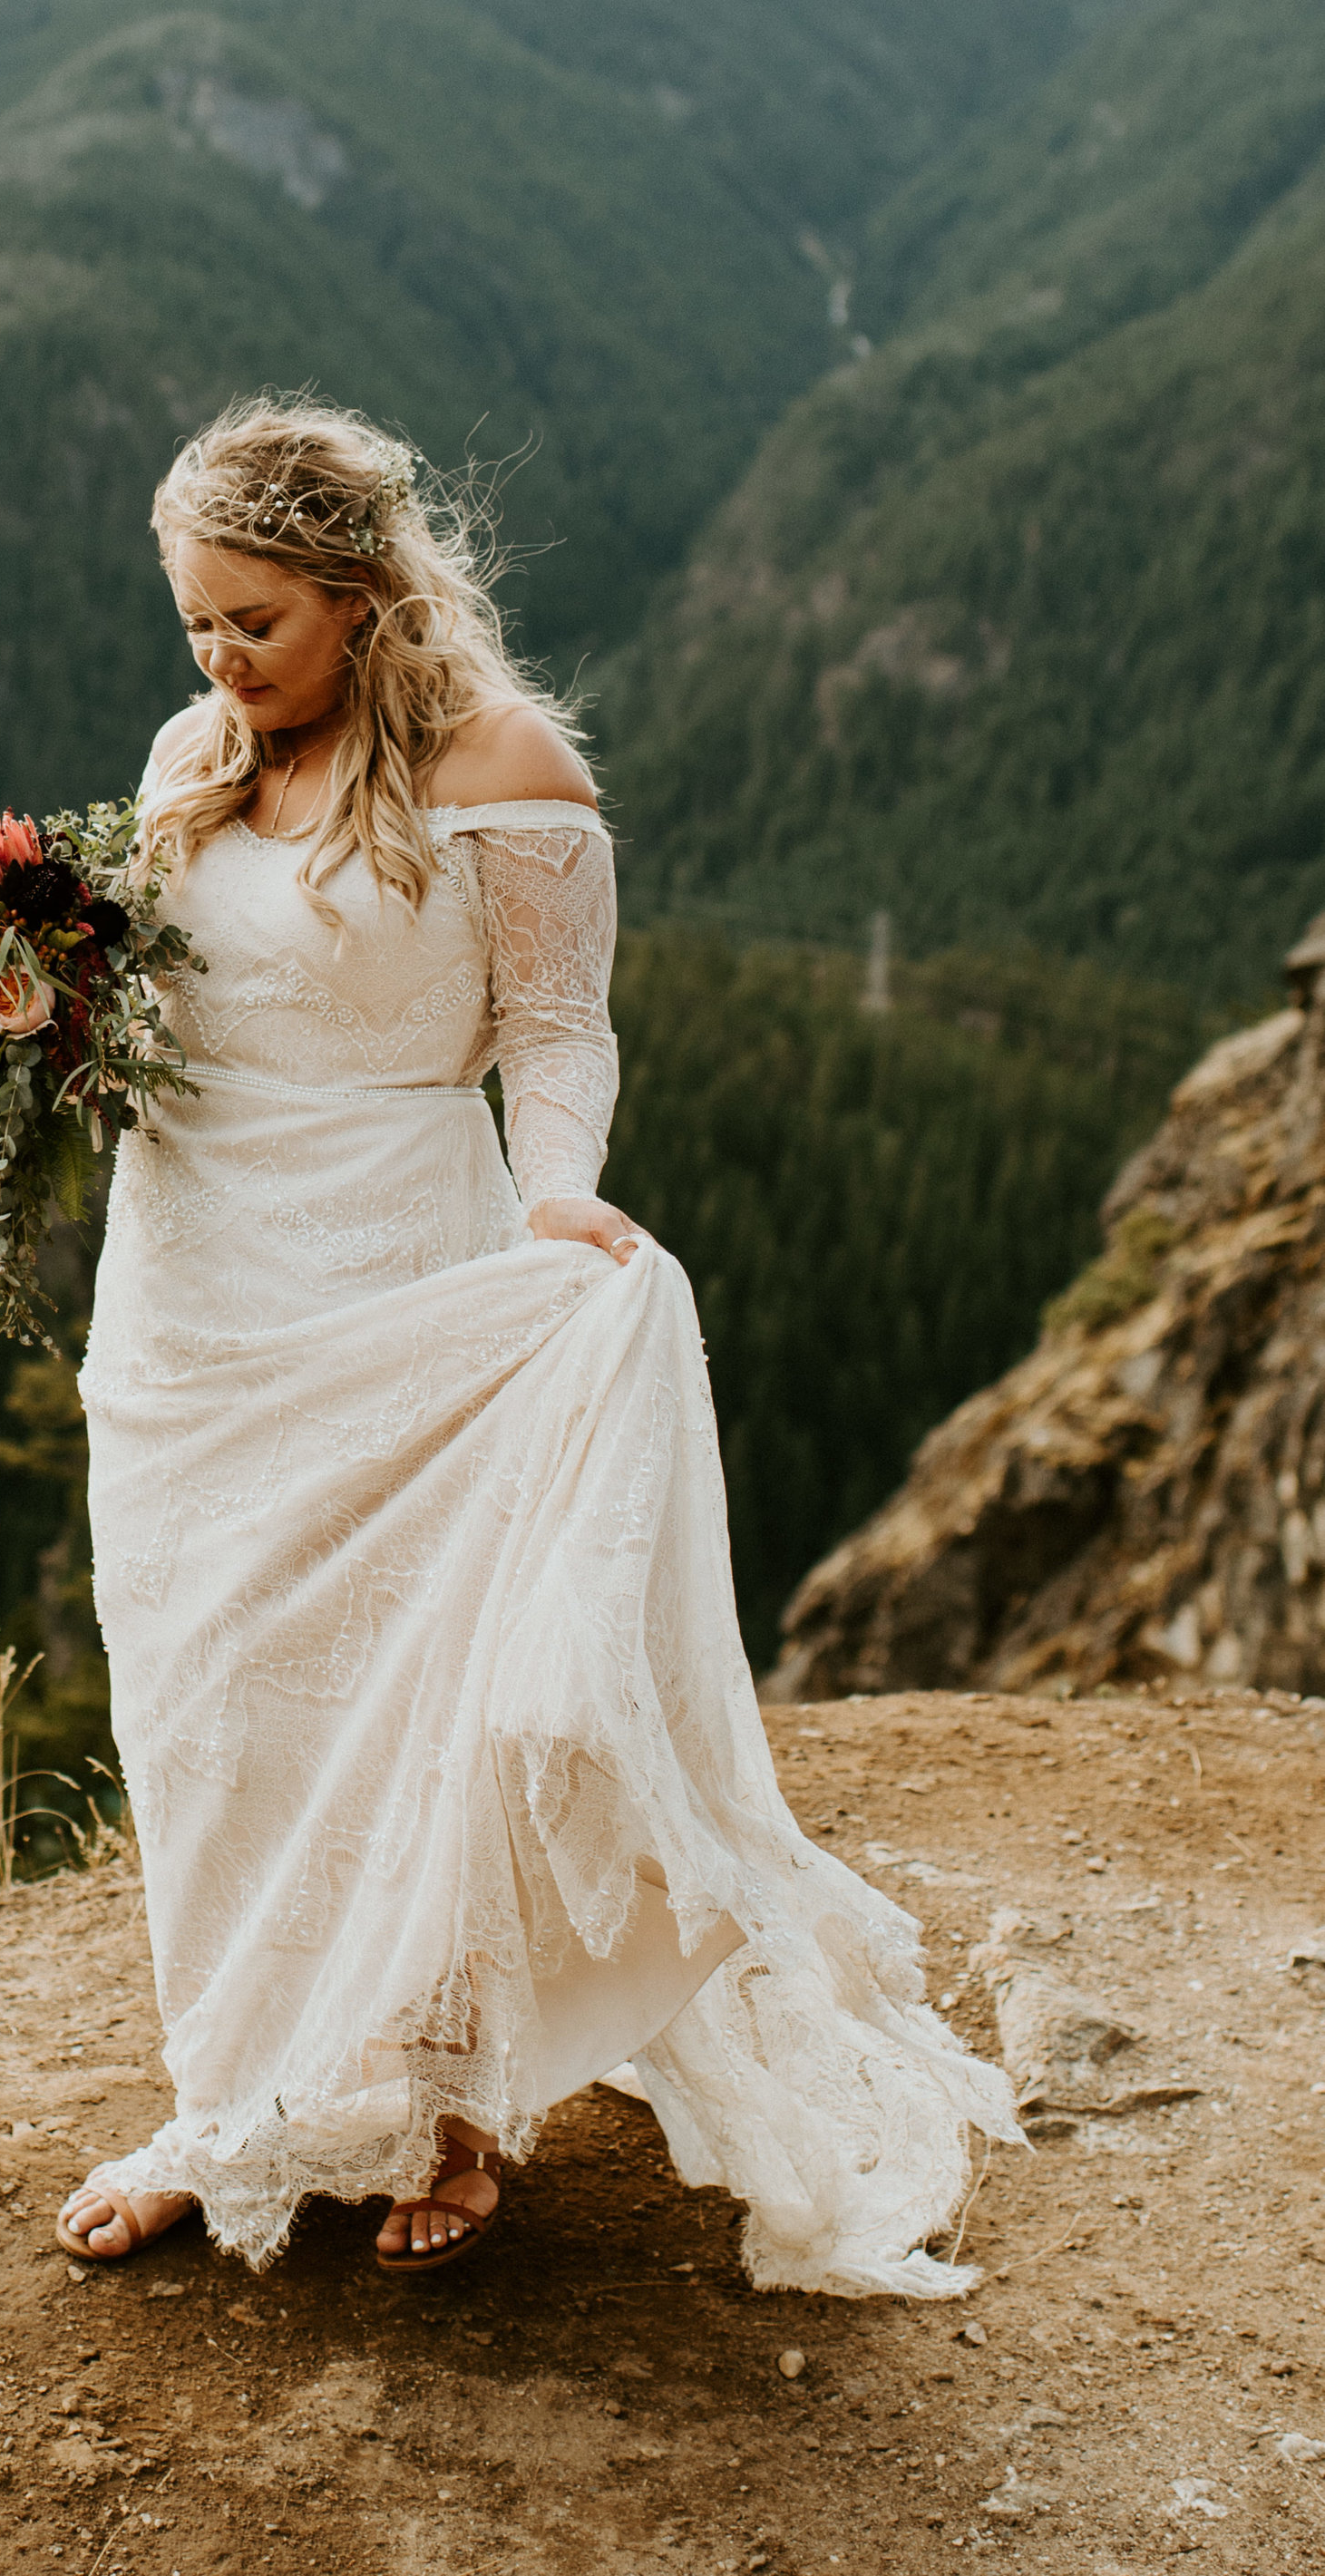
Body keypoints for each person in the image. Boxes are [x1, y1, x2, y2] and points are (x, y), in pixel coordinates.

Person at [56, 399, 1016, 2285]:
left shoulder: (501, 761)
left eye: (253, 620)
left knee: (412, 1695)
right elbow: (166, 996)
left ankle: (444, 2102)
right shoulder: (191, 758)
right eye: (192, 623)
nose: (220, 661)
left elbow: (555, 1026)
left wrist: (558, 1193)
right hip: (186, 1295)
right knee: (211, 1711)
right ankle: (225, 2100)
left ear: (358, 591)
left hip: (401, 1275)